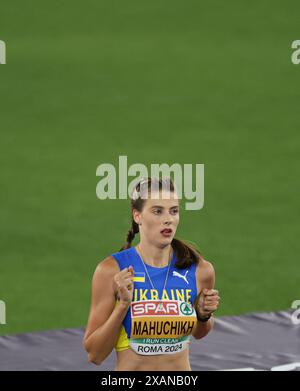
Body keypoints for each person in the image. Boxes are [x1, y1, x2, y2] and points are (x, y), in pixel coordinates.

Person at [83, 177, 220, 371]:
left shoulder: (199, 270)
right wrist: (122, 306)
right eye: (157, 211)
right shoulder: (112, 270)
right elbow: (95, 354)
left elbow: (199, 332)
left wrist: (203, 315)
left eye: (174, 211)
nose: (168, 219)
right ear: (137, 216)